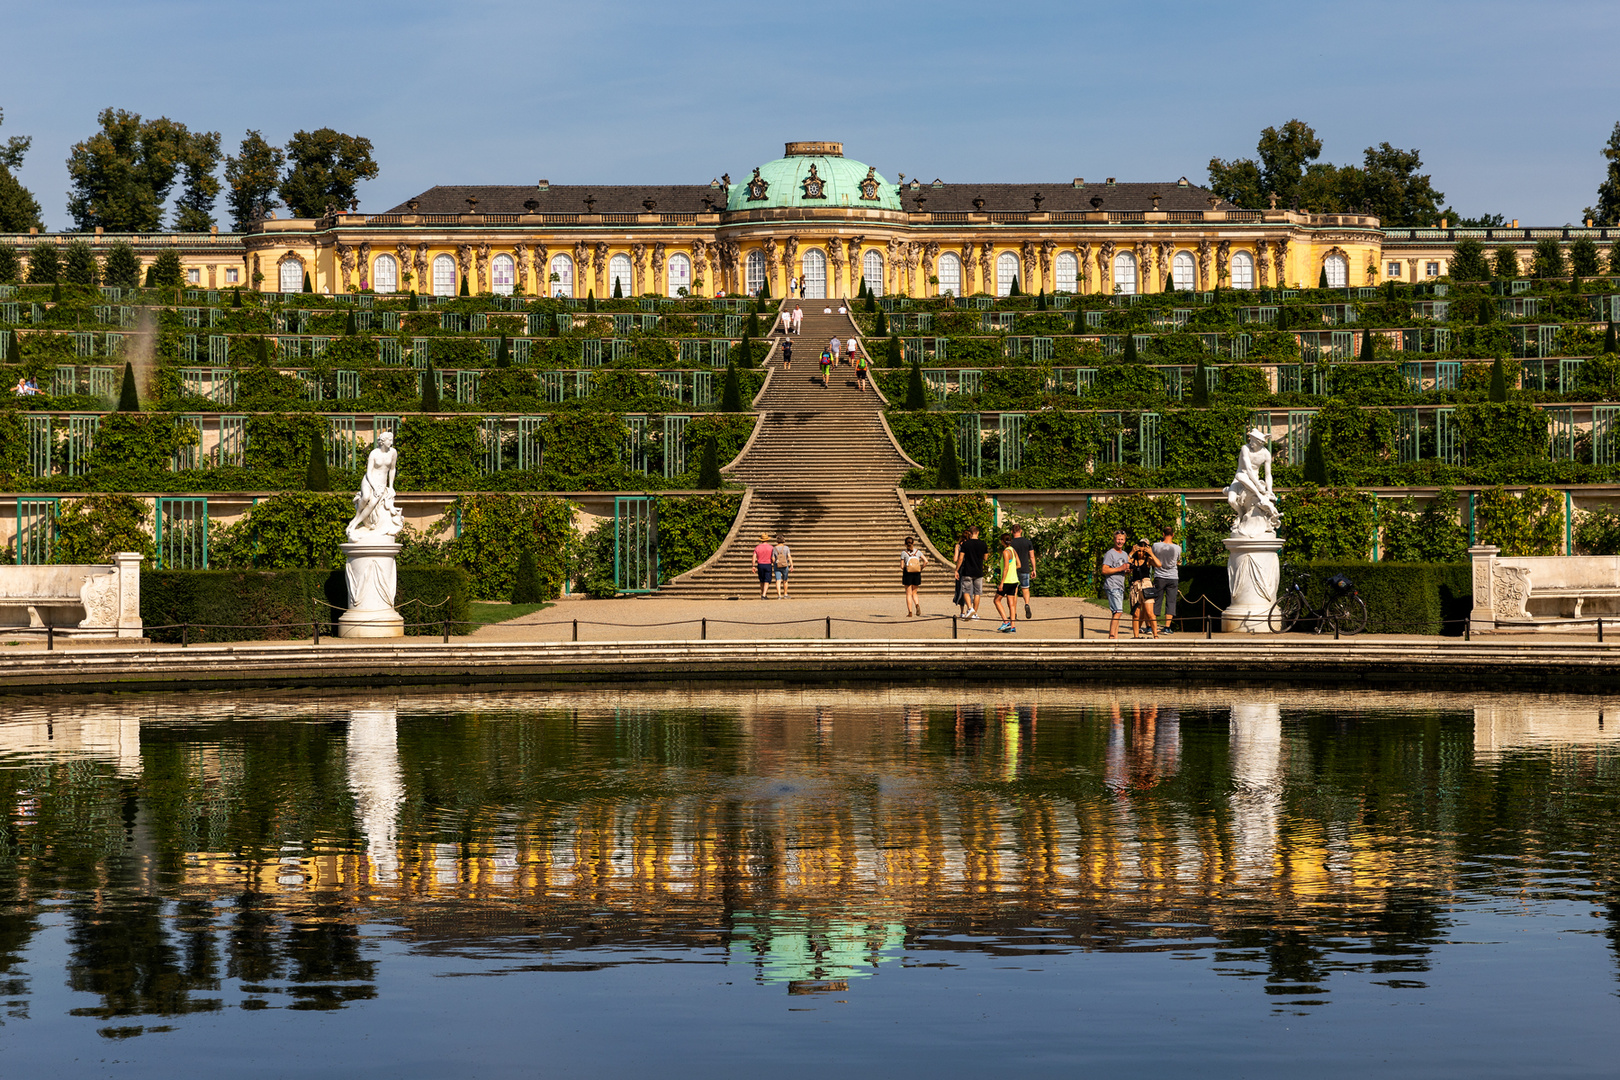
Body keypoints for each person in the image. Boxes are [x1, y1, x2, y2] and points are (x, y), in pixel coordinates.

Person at [1128, 538, 1161, 639]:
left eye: (1143, 548)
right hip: (1135, 586)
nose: (1141, 551)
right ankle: (1136, 636)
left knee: (1150, 613)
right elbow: (1124, 563)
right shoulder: (1133, 560)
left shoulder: (1148, 560)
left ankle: (1155, 635)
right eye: (1140, 548)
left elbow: (1159, 564)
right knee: (1136, 614)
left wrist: (1151, 553)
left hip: (1146, 585)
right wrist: (1132, 552)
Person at [1100, 531, 1131, 638]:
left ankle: (1115, 638)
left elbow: (1124, 570)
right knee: (1118, 611)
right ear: (1114, 540)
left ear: (1125, 541)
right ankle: (1112, 636)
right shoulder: (1110, 553)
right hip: (1112, 585)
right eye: (1118, 539)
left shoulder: (1125, 554)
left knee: (1116, 613)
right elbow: (1104, 570)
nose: (1120, 541)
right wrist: (1120, 568)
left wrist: (1127, 571)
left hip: (1120, 586)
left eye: (1122, 539)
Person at [955, 526, 989, 620]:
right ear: (978, 533)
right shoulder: (983, 544)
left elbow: (961, 558)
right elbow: (985, 558)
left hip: (967, 571)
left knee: (966, 591)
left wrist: (956, 570)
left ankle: (970, 608)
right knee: (977, 593)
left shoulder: (966, 544)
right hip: (978, 571)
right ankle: (975, 613)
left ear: (970, 533)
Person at [1153, 525, 1182, 635]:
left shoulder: (1156, 546)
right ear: (1173, 535)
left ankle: (1153, 626)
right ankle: (1167, 627)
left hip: (1159, 576)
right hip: (1173, 576)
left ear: (1163, 534)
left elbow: (1153, 557)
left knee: (1156, 601)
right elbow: (1177, 560)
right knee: (1171, 602)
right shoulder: (1177, 548)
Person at [993, 533, 1020, 633]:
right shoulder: (1013, 550)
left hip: (1007, 580)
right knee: (1011, 604)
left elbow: (1005, 568)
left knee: (996, 600)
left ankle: (1005, 621)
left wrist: (1001, 582)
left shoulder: (1005, 552)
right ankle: (1013, 626)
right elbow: (1019, 564)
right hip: (1014, 580)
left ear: (1002, 541)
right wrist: (1013, 569)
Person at [1008, 524, 1036, 621]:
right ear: (1021, 531)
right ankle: (1027, 604)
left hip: (1013, 570)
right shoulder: (1027, 542)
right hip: (1025, 568)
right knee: (1025, 589)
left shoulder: (1010, 543)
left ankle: (1014, 613)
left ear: (1012, 532)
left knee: (1014, 592)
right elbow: (1032, 556)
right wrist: (1034, 569)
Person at [901, 535, 927, 617]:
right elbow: (926, 561)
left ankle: (910, 612)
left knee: (908, 593)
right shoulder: (918, 552)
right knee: (914, 592)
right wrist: (920, 568)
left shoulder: (904, 553)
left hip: (907, 573)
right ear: (913, 543)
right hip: (917, 573)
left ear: (905, 544)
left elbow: (902, 566)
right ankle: (917, 604)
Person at [951, 531, 969, 617]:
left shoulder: (958, 546)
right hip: (970, 568)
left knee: (961, 589)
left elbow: (955, 559)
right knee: (969, 589)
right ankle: (971, 609)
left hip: (961, 569)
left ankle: (962, 611)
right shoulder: (970, 545)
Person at [753, 533, 775, 599]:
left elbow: (754, 557)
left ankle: (763, 593)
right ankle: (764, 594)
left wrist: (753, 565)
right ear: (767, 540)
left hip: (760, 565)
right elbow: (773, 557)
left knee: (761, 580)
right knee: (767, 580)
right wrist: (774, 562)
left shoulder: (757, 547)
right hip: (768, 564)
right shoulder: (771, 547)